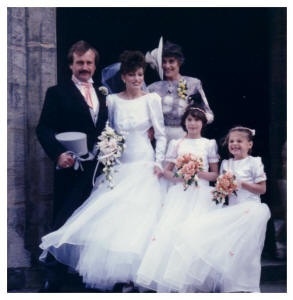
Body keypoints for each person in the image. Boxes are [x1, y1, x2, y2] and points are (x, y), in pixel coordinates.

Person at [39, 50, 167, 292]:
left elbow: (160, 134)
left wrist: (159, 162)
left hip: (145, 164)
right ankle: (117, 275)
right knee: (115, 218)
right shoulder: (112, 100)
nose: (137, 79)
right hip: (119, 165)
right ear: (123, 77)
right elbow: (107, 131)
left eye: (140, 74)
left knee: (144, 218)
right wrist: (105, 153)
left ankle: (140, 275)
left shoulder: (152, 100)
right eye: (132, 75)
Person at [161, 126, 270, 292]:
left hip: (251, 210)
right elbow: (221, 189)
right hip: (232, 210)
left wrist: (242, 183)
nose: (234, 144)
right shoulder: (226, 163)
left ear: (250, 144)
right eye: (231, 141)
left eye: (239, 141)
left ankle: (248, 286)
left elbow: (262, 189)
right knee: (229, 247)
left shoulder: (254, 162)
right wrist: (222, 188)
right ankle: (230, 286)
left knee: (247, 249)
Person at [36, 40, 108, 292]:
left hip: (98, 168)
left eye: (89, 62)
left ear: (95, 65)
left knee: (93, 220)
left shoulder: (102, 93)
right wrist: (58, 155)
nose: (85, 67)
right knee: (66, 218)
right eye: (80, 63)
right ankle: (53, 276)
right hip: (71, 166)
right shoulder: (57, 92)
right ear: (71, 64)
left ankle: (82, 274)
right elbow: (43, 128)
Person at [135, 105, 219, 292]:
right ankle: (172, 282)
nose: (193, 123)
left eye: (197, 120)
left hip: (201, 195)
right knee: (173, 234)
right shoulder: (177, 144)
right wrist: (181, 177)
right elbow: (167, 171)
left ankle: (194, 283)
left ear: (203, 123)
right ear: (184, 122)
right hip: (180, 195)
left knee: (195, 235)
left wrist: (196, 172)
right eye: (189, 119)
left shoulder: (208, 144)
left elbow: (214, 175)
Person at [146, 39, 214, 142]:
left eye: (171, 61)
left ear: (179, 62)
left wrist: (195, 121)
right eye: (164, 62)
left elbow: (208, 114)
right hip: (161, 139)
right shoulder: (152, 88)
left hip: (186, 137)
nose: (167, 66)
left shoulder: (193, 83)